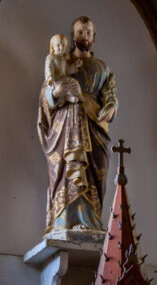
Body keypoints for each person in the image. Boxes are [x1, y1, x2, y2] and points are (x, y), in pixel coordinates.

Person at [38, 16, 118, 235]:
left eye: (89, 32)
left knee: (93, 172)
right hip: (66, 127)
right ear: (73, 36)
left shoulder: (102, 67)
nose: (85, 36)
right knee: (67, 171)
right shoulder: (61, 61)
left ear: (94, 37)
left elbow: (110, 94)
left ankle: (91, 221)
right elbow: (46, 93)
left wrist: (111, 106)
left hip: (95, 127)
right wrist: (56, 93)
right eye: (81, 32)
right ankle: (64, 220)